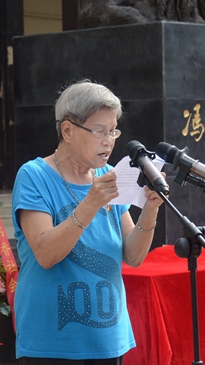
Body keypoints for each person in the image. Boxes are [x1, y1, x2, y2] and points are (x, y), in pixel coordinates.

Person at [11, 80, 165, 365]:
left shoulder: (109, 175)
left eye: (113, 131)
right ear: (68, 130)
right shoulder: (34, 175)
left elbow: (133, 256)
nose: (108, 140)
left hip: (107, 337)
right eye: (99, 131)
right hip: (51, 342)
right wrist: (91, 203)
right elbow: (45, 254)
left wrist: (150, 209)